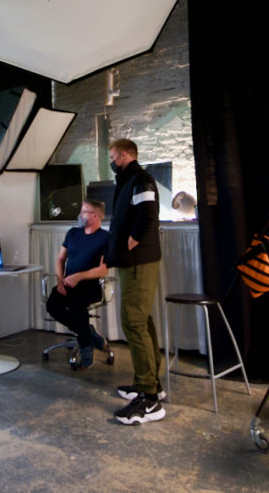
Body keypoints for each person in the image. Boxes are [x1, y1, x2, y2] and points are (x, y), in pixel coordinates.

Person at [105, 138, 165, 424]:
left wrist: (129, 244)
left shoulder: (141, 179)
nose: (112, 161)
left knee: (134, 320)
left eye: (114, 156)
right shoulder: (129, 180)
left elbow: (147, 216)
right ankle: (151, 382)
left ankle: (149, 397)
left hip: (139, 261)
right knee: (142, 318)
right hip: (132, 262)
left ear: (127, 154)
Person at [45, 199, 110, 369]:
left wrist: (79, 276)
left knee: (76, 303)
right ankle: (88, 333)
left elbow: (103, 270)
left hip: (90, 285)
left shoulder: (105, 238)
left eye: (84, 211)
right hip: (67, 283)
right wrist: (60, 280)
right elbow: (60, 259)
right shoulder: (73, 233)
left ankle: (85, 345)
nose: (80, 215)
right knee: (52, 305)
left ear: (95, 216)